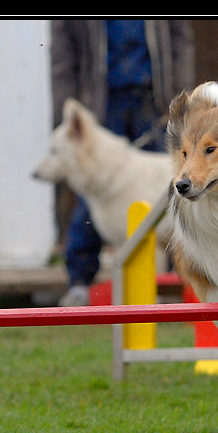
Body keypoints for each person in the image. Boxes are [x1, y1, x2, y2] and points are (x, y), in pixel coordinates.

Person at [49, 20, 195, 306]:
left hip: (155, 100)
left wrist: (181, 99)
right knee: (91, 193)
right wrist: (65, 116)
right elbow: (62, 60)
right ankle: (80, 281)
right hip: (101, 104)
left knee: (174, 191)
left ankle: (168, 283)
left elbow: (180, 43)